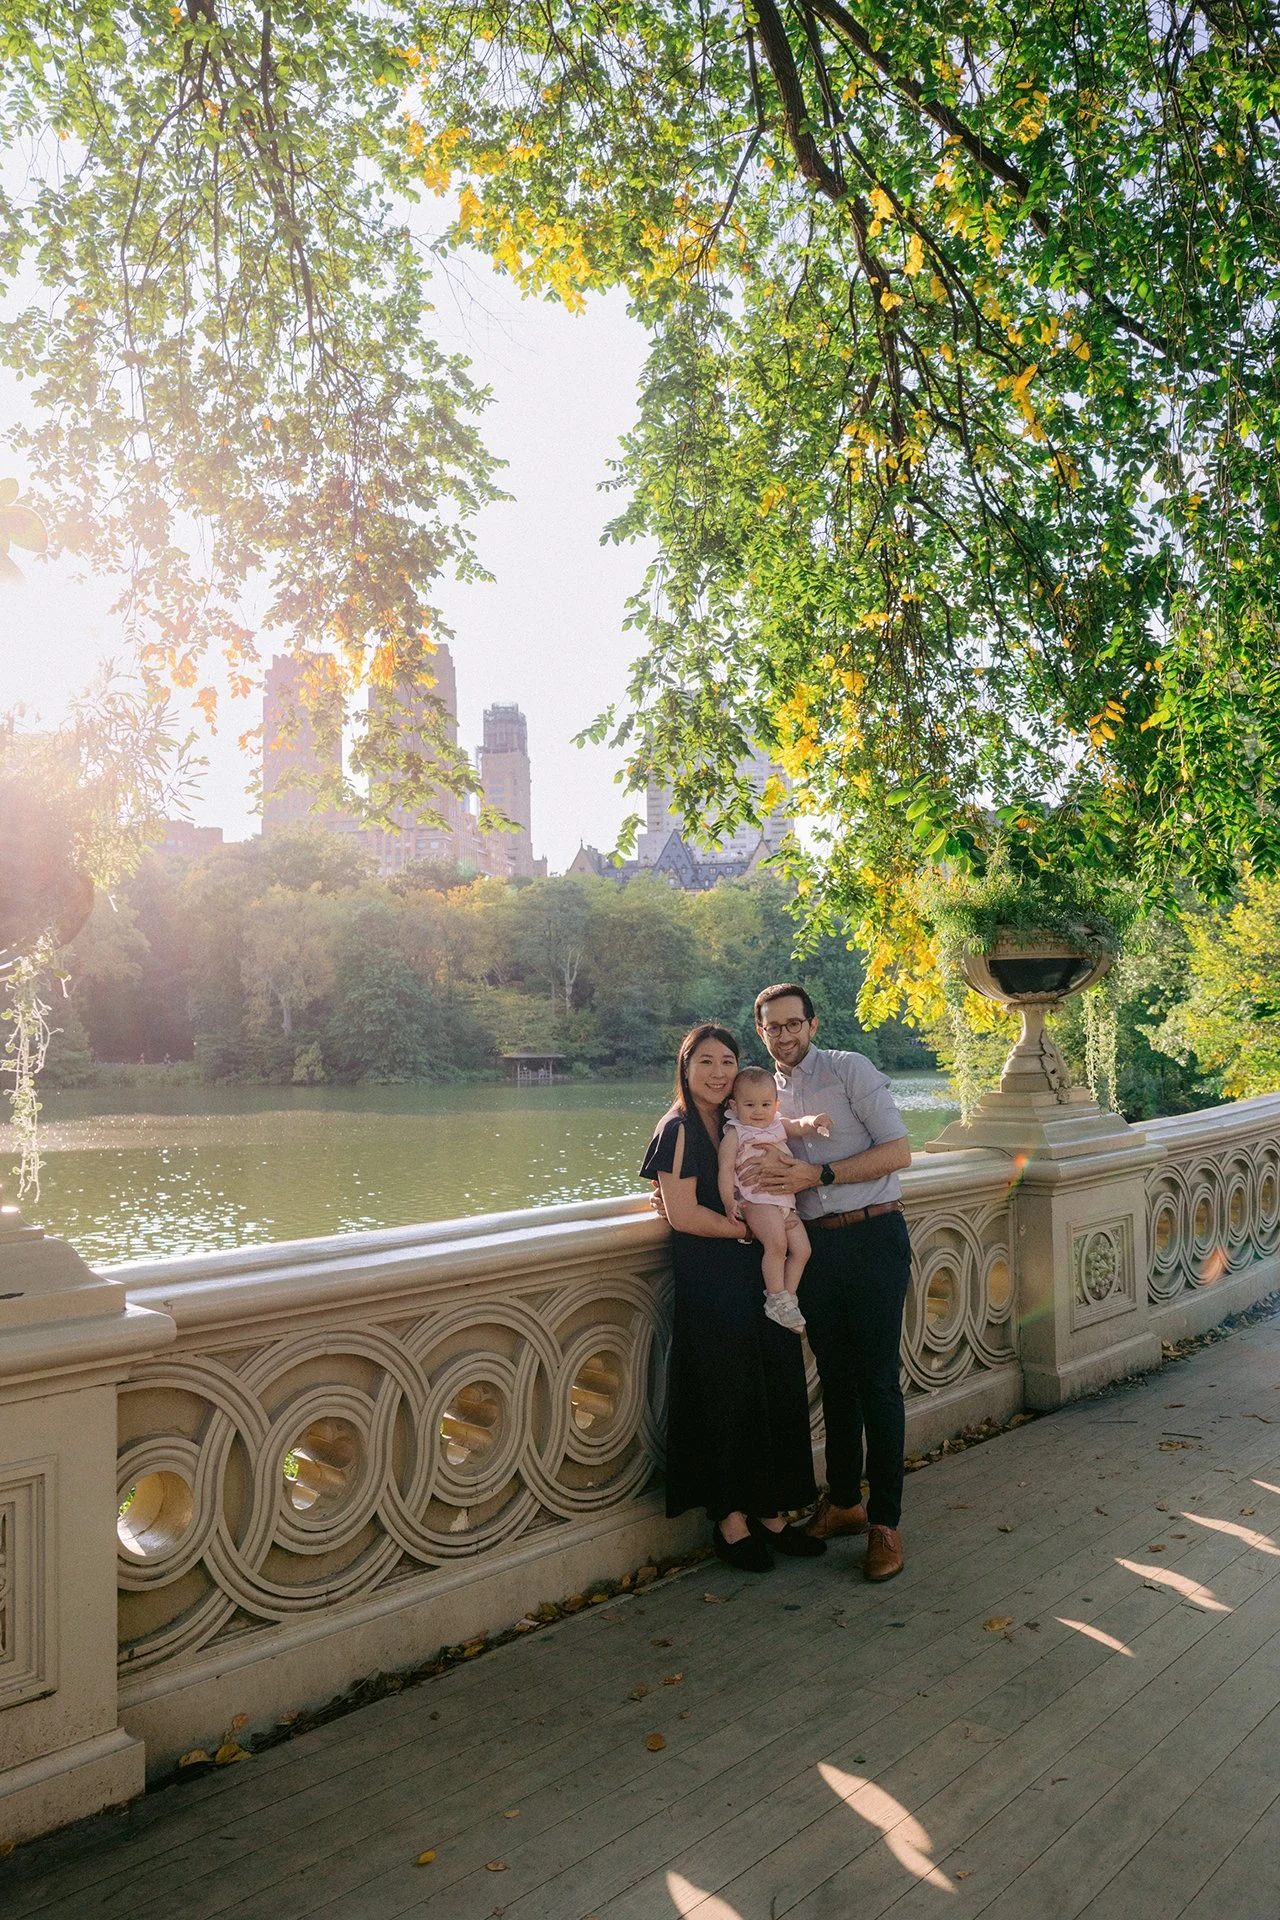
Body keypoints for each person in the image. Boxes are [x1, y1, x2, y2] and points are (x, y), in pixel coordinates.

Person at [742, 984, 913, 1583]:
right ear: (761, 1031)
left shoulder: (848, 1069)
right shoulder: (761, 1094)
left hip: (873, 1235)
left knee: (878, 1383)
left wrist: (820, 1173)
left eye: (794, 1024)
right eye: (773, 1027)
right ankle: (843, 1503)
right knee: (836, 1380)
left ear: (812, 1025)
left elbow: (899, 1151)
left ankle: (885, 1522)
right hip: (815, 1248)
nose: (784, 1035)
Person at [641, 1023, 824, 1573]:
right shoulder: (677, 1128)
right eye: (706, 1061)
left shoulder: (736, 1119)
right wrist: (749, 1230)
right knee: (727, 1394)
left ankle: (771, 1511)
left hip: (759, 1276)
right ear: (686, 1066)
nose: (719, 1072)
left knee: (773, 1383)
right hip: (713, 1277)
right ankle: (730, 1520)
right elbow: (683, 1215)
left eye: (728, 1061)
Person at [717, 1064, 831, 1335]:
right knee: (777, 1245)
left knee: (802, 1250)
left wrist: (815, 1122)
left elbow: (797, 1125)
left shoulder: (777, 1124)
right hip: (757, 1201)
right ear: (734, 1105)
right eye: (750, 1105)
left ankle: (787, 1299)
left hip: (785, 1203)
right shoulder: (735, 1133)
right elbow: (725, 1169)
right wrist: (728, 1201)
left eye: (766, 1104)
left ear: (776, 1105)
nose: (759, 1111)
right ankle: (776, 1296)